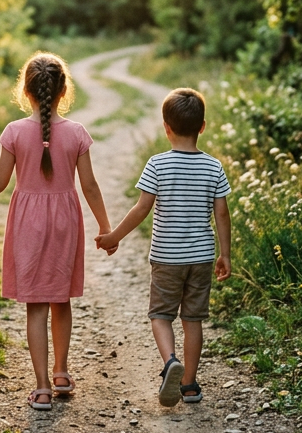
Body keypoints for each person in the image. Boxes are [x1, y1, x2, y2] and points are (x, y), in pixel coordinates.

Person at [0, 53, 111, 411]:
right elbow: (91, 187)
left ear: (25, 90)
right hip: (65, 222)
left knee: (36, 304)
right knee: (61, 298)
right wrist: (105, 226)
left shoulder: (14, 132)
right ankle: (62, 372)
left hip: (27, 223)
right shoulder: (77, 134)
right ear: (63, 90)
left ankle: (41, 387)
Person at [97, 87, 232, 406]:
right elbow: (222, 213)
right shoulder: (213, 167)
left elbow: (141, 209)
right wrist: (225, 254)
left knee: (160, 315)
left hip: (167, 257)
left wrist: (114, 236)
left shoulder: (157, 165)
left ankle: (170, 361)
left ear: (166, 127)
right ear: (202, 126)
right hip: (201, 257)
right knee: (193, 320)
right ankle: (189, 385)